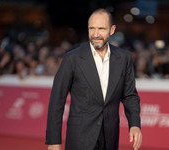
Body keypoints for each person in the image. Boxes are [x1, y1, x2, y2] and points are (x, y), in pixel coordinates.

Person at [45, 8, 142, 150]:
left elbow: (130, 96)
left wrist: (134, 124)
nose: (96, 34)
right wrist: (54, 140)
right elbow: (56, 100)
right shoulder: (72, 58)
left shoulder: (124, 58)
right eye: (92, 28)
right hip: (80, 138)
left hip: (110, 137)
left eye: (101, 29)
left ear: (112, 30)